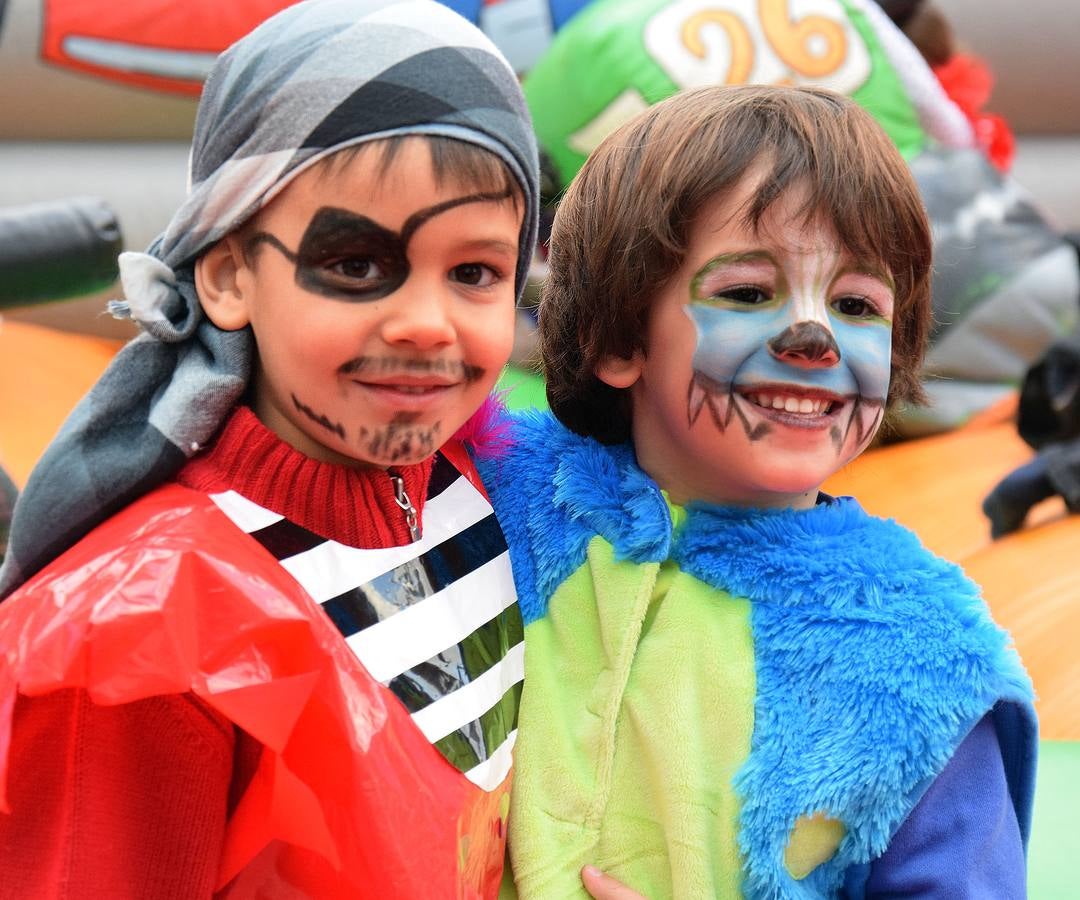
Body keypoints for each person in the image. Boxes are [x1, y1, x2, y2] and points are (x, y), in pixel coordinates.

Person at [0, 1, 539, 897]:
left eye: (474, 272)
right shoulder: (136, 640)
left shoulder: (493, 493)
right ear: (228, 276)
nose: (424, 323)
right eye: (357, 266)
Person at [479, 85, 1037, 898]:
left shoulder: (923, 659)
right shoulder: (500, 499)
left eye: (856, 305)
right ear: (619, 337)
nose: (813, 338)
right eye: (747, 294)